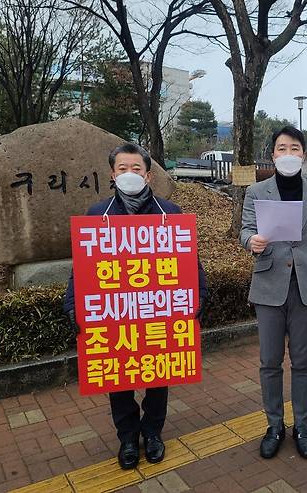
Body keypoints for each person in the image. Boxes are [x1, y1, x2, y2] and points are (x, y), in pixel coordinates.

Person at [63, 143, 208, 470]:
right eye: (123, 169)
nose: (130, 175)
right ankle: (128, 436)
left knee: (159, 374)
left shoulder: (169, 214)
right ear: (113, 175)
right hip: (115, 314)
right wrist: (74, 306)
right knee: (118, 377)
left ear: (148, 174)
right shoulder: (96, 216)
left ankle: (153, 432)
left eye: (136, 169)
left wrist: (198, 297)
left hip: (159, 312)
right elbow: (82, 269)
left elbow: (190, 262)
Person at [240, 126, 307, 460]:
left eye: (294, 148)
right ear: (272, 155)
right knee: (269, 362)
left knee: (303, 363)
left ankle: (302, 426)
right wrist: (250, 241)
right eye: (281, 148)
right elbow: (246, 229)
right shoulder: (257, 191)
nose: (287, 154)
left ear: (304, 154)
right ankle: (274, 426)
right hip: (269, 285)